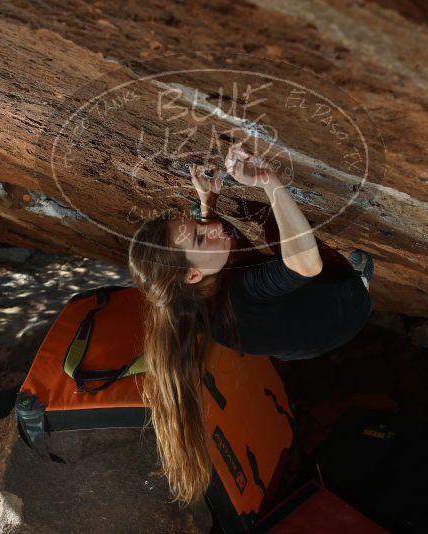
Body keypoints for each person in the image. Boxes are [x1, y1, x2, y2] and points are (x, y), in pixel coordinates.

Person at [127, 140, 373, 505]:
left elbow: (207, 242)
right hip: (341, 314)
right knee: (281, 229)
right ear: (192, 276)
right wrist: (270, 182)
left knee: (218, 224)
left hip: (297, 341)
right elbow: (306, 264)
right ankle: (362, 281)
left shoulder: (182, 302)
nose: (204, 227)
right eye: (197, 236)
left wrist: (207, 204)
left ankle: (209, 221)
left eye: (195, 226)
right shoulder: (240, 292)